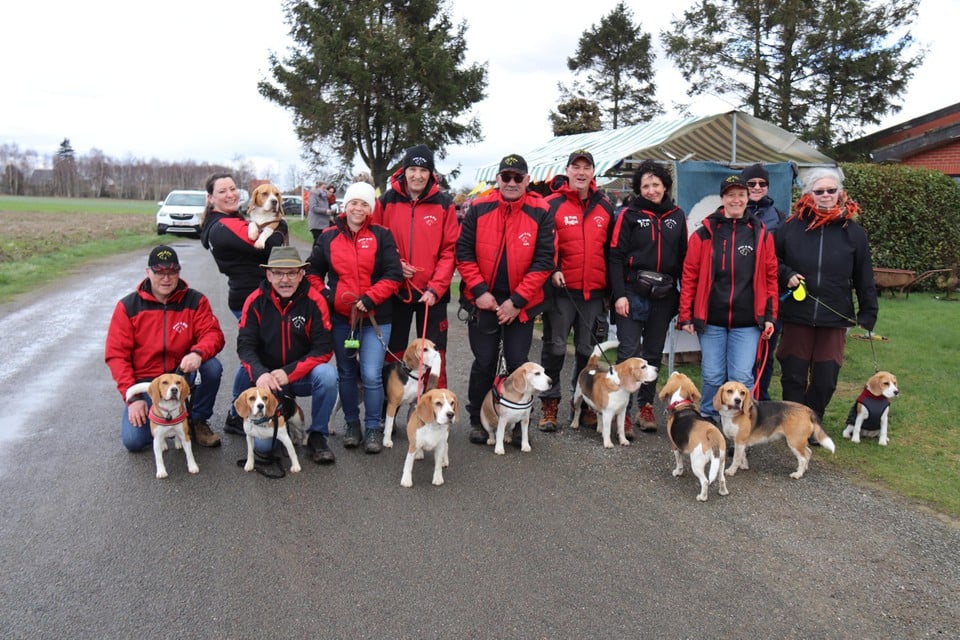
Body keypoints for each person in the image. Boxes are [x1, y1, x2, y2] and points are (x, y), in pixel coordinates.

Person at [455, 153, 555, 444]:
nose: (512, 182)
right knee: (485, 361)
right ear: (497, 179)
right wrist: (480, 292)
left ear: (527, 180)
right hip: (482, 298)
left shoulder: (541, 211)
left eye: (517, 177)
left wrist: (518, 301)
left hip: (521, 302)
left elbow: (545, 260)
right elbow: (464, 253)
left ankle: (517, 421)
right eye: (506, 177)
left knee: (517, 362)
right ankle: (478, 418)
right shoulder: (479, 207)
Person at [774, 167, 878, 422]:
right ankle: (794, 423)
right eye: (819, 191)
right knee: (793, 374)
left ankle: (813, 419)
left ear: (840, 193)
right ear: (809, 194)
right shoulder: (790, 227)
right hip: (797, 313)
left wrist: (868, 312)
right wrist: (785, 274)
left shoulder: (853, 232)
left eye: (831, 190)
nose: (826, 195)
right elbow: (770, 259)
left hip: (834, 315)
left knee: (826, 377)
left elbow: (864, 275)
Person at [307, 181, 403, 454]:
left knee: (371, 375)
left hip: (376, 317)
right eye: (354, 203)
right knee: (346, 373)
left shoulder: (382, 235)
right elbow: (313, 272)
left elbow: (393, 274)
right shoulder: (327, 237)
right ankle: (352, 424)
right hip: (341, 319)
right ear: (345, 205)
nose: (358, 208)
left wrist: (371, 297)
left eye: (364, 204)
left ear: (370, 208)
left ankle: (373, 426)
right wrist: (327, 296)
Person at [678, 174, 778, 423]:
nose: (736, 199)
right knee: (712, 375)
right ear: (722, 199)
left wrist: (770, 316)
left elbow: (771, 277)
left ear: (747, 198)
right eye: (731, 195)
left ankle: (740, 425)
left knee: (742, 377)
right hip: (712, 319)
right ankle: (709, 420)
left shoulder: (761, 234)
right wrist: (686, 315)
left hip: (747, 322)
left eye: (741, 195)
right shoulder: (704, 234)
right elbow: (689, 276)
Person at [105, 245, 225, 451]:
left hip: (181, 374)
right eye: (159, 272)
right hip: (147, 382)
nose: (166, 278)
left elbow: (213, 334)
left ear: (179, 272)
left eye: (172, 272)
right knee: (134, 442)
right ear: (148, 273)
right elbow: (116, 356)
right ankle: (161, 416)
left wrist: (197, 353)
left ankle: (197, 420)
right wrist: (132, 398)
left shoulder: (196, 301)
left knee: (211, 367)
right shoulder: (127, 307)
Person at [200, 172, 289, 436]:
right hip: (248, 298)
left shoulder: (236, 219)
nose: (230, 194)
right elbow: (271, 244)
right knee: (252, 357)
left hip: (258, 296)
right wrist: (281, 227)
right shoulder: (224, 225)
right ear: (210, 198)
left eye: (233, 189)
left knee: (255, 354)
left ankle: (241, 412)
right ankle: (236, 415)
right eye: (222, 191)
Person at [236, 246, 339, 464]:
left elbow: (323, 348)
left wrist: (289, 372)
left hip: (300, 376)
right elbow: (245, 347)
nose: (286, 280)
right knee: (243, 373)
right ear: (269, 274)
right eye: (279, 273)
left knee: (328, 375)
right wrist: (261, 373)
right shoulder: (254, 301)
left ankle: (318, 436)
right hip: (267, 379)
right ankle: (243, 419)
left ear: (302, 274)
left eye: (292, 273)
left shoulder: (315, 300)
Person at [608, 160, 688, 437]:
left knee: (652, 354)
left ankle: (645, 408)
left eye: (656, 185)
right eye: (646, 186)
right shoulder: (628, 215)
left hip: (663, 295)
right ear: (639, 189)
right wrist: (618, 295)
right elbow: (615, 256)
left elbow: (683, 260)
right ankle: (623, 411)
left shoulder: (677, 215)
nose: (652, 190)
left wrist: (681, 299)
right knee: (629, 353)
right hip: (631, 292)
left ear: (665, 185)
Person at [537, 150, 614, 432]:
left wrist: (611, 290)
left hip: (594, 293)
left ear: (594, 172)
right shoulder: (551, 204)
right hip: (561, 292)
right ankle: (550, 402)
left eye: (587, 167)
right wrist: (553, 268)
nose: (581, 172)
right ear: (567, 170)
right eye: (576, 167)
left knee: (587, 352)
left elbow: (611, 251)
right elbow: (543, 244)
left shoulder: (605, 206)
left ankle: (584, 403)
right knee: (555, 349)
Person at [374, 144, 459, 389]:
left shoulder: (444, 203)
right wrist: (395, 265)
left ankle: (434, 408)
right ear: (404, 171)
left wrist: (436, 288)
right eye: (413, 169)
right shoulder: (387, 200)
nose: (417, 175)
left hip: (432, 294)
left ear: (431, 174)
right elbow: (377, 241)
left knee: (435, 353)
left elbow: (449, 250)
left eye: (423, 170)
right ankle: (388, 410)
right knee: (394, 350)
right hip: (396, 290)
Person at [742, 163, 787, 401]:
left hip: (770, 295)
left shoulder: (779, 217)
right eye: (751, 184)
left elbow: (784, 255)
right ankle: (737, 401)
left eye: (762, 183)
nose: (757, 187)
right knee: (743, 355)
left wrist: (787, 274)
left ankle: (761, 397)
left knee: (766, 353)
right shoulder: (733, 212)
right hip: (741, 295)